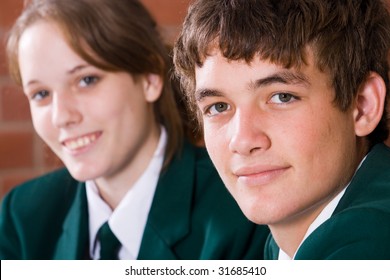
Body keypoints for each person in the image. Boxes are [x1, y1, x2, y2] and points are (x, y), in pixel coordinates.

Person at [0, 0, 269, 260]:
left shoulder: (240, 212)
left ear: (150, 79)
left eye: (86, 80)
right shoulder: (22, 216)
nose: (61, 116)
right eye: (41, 93)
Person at [174, 0, 390, 259]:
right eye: (219, 106)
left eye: (282, 97)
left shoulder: (370, 240)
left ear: (363, 105)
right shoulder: (289, 242)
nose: (243, 140)